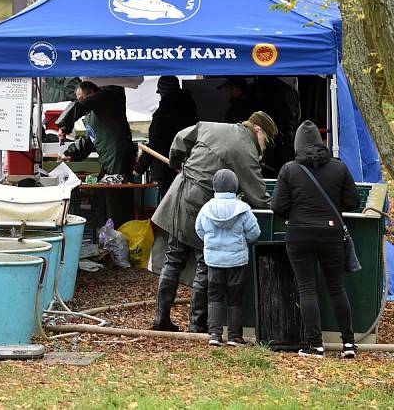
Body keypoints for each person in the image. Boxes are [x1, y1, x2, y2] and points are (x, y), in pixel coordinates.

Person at [151, 112, 276, 334]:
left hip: (179, 192)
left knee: (173, 257)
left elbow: (180, 138)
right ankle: (196, 323)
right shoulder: (245, 149)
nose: (264, 147)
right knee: (205, 262)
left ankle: (161, 319)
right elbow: (258, 197)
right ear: (258, 130)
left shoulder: (212, 126)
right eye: (266, 140)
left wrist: (177, 163)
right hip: (201, 202)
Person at [270, 120, 359, 358]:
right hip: (331, 235)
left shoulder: (289, 169)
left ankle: (314, 345)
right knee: (337, 288)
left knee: (307, 289)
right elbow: (353, 202)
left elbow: (278, 206)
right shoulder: (339, 168)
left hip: (299, 235)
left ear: (298, 144)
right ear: (321, 144)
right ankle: (349, 344)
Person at [134, 77, 199, 274]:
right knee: (186, 207)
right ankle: (186, 249)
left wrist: (139, 167)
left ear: (163, 92)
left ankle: (170, 254)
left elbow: (155, 143)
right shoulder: (190, 109)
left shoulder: (162, 114)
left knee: (168, 212)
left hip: (166, 167)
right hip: (189, 165)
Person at [195, 169, 261, 347]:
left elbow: (199, 230)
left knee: (214, 297)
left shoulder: (206, 208)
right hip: (236, 262)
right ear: (235, 186)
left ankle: (215, 334)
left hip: (213, 261)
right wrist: (241, 243)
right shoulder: (242, 209)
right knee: (235, 298)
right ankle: (234, 336)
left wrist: (212, 243)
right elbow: (255, 232)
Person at [59, 81, 136, 227]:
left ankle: (121, 240)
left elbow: (79, 107)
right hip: (107, 161)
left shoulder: (106, 97)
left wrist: (64, 126)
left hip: (118, 159)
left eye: (83, 98)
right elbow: (90, 138)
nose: (81, 101)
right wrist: (71, 152)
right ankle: (110, 239)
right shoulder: (92, 116)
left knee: (118, 205)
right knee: (106, 205)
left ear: (92, 94)